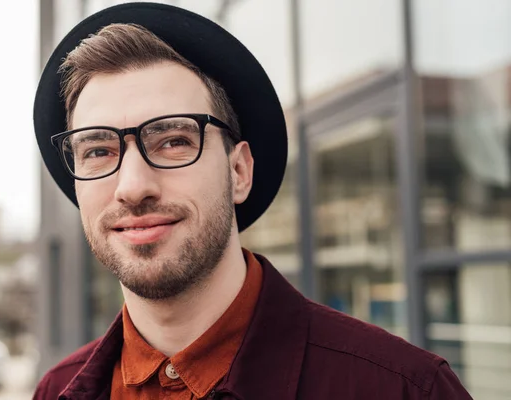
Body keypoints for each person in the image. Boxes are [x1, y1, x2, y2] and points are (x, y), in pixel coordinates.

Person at [32, 3, 473, 399]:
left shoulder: (403, 389)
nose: (132, 186)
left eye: (172, 141)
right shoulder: (56, 391)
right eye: (98, 151)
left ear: (238, 171)